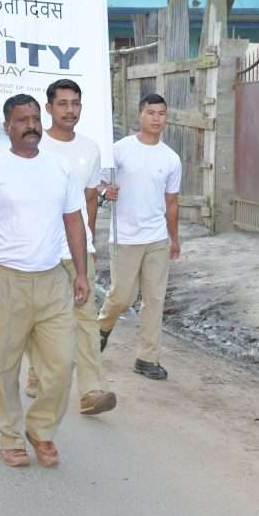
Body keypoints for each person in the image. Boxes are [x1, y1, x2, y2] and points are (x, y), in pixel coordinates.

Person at [0, 94, 90, 469]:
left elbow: (74, 222)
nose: (30, 126)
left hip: (52, 280)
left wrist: (80, 273)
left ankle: (41, 428)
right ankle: (10, 435)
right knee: (5, 364)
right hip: (6, 281)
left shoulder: (60, 168)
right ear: (7, 127)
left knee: (62, 364)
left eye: (34, 119)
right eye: (21, 120)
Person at [24, 79, 116, 416]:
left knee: (85, 319)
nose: (70, 110)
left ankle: (92, 390)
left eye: (75, 104)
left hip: (76, 250)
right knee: (39, 317)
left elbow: (90, 197)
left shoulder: (90, 149)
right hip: (38, 251)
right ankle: (36, 371)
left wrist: (88, 243)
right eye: (62, 104)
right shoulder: (34, 146)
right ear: (48, 108)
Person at [98, 94, 181, 381]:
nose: (157, 118)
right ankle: (102, 328)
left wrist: (174, 238)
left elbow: (172, 202)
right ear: (139, 115)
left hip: (156, 238)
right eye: (151, 113)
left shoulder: (171, 158)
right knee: (122, 296)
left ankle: (147, 358)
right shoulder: (120, 151)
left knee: (155, 299)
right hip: (125, 237)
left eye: (162, 113)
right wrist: (104, 191)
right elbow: (98, 183)